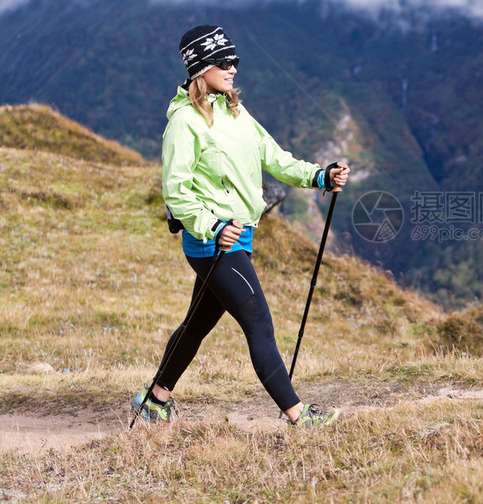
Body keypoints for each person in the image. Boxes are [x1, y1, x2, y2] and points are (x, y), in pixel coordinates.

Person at [132, 25, 349, 427]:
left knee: (196, 324)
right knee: (259, 325)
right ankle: (298, 415)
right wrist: (211, 227)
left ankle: (155, 399)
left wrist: (319, 176)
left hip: (240, 235)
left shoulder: (234, 110)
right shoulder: (184, 122)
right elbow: (175, 190)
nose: (233, 67)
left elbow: (275, 156)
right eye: (223, 61)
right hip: (212, 243)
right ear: (200, 67)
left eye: (235, 60)